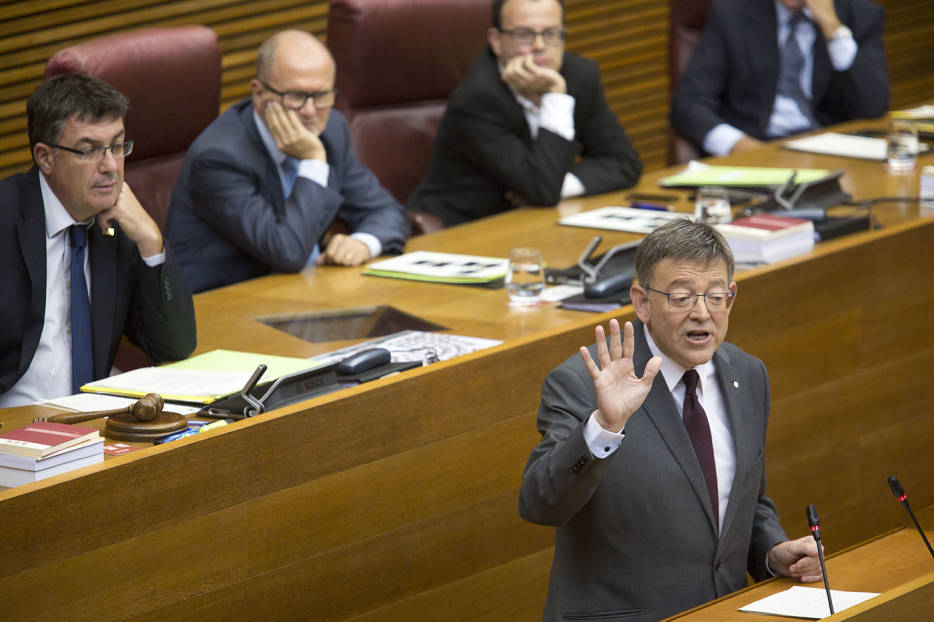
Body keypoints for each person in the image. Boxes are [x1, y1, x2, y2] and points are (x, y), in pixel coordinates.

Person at [519, 220, 822, 622]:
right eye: (681, 298)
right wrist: (603, 428)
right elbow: (540, 504)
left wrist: (770, 551)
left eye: (716, 296)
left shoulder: (747, 375)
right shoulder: (583, 382)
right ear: (641, 302)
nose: (702, 313)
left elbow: (744, 502)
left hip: (724, 612)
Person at [0, 74, 196, 408]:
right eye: (89, 150)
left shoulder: (119, 223)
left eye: (118, 146)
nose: (110, 167)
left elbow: (173, 346)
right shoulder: (6, 219)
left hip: (90, 425)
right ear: (45, 157)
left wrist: (151, 240)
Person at [166, 30, 409, 293]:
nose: (309, 111)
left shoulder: (332, 130)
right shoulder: (218, 159)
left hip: (303, 296)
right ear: (258, 94)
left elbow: (387, 211)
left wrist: (363, 242)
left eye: (321, 96)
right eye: (295, 96)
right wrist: (313, 161)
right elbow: (287, 251)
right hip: (223, 308)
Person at [407, 0, 642, 227]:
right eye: (524, 34)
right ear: (496, 41)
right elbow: (543, 190)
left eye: (551, 33)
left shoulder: (580, 76)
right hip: (461, 230)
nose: (540, 45)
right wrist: (555, 96)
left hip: (533, 223)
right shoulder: (477, 99)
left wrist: (558, 183)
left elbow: (624, 162)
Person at [670, 0, 889, 157]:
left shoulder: (858, 14)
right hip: (756, 148)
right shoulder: (731, 11)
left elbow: (872, 108)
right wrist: (738, 145)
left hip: (827, 150)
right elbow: (689, 103)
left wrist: (832, 28)